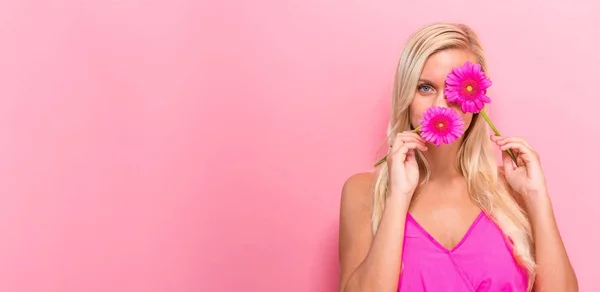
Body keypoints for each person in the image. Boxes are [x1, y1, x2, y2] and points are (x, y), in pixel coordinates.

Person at [337, 22, 578, 292]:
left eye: (456, 89)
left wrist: (536, 197)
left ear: (476, 99)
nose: (441, 105)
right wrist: (398, 198)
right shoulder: (362, 192)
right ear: (406, 95)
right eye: (425, 88)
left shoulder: (513, 189)